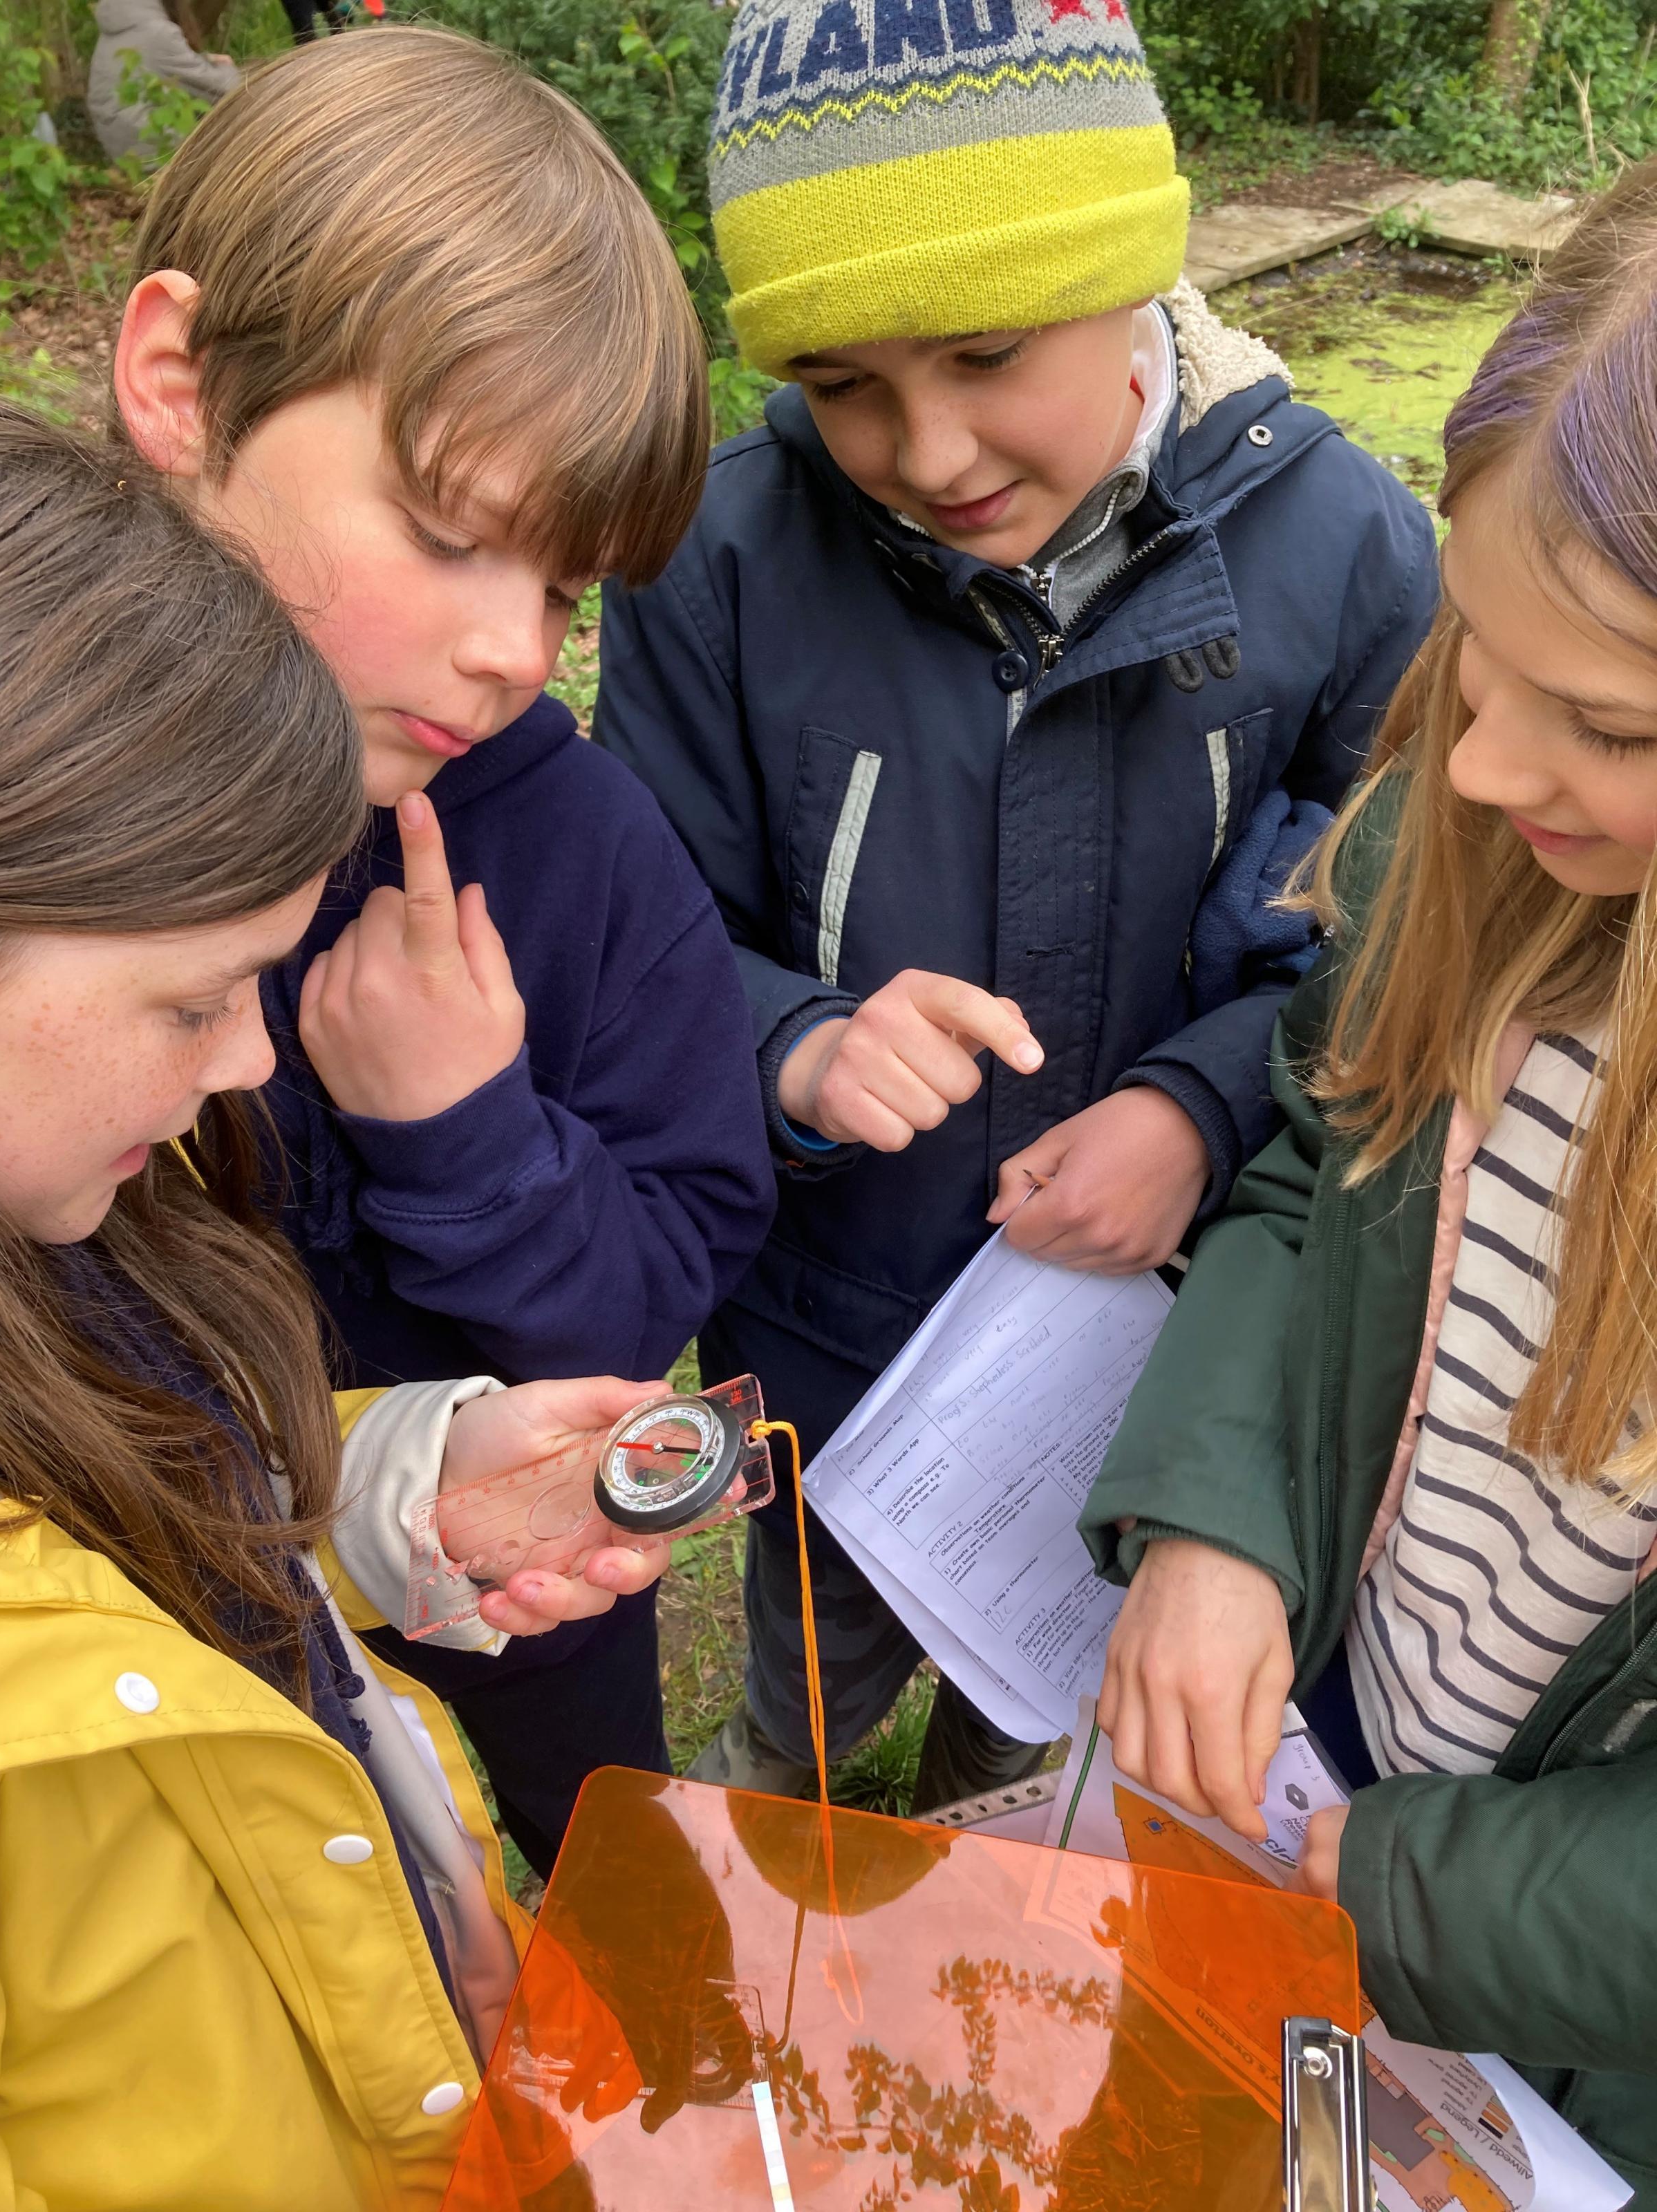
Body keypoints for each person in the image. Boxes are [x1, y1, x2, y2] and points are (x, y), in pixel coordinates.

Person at [596, 0, 1439, 1808]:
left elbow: (1401, 945)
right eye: (843, 386)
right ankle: (783, 1812)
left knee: (1031, 1737)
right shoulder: (720, 556)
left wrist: (1201, 1105)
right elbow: (642, 926)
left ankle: (992, 1810)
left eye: (986, 353)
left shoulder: (1351, 555)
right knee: (804, 1686)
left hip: (1144, 1357)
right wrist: (796, 1043)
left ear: (1135, 270)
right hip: (829, 1339)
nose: (929, 448)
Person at [111, 28, 776, 1873]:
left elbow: (659, 1294)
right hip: (147, 1724)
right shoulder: (54, 807)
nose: (514, 650)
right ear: (178, 380)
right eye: (450, 535)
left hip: (521, 1683)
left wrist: (470, 1131)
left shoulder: (585, 855)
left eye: (562, 587)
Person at [0, 405, 673, 2211]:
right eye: (194, 1000)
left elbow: (144, 1563)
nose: (253, 1059)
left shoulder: (72, 1253)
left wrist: (396, 1497)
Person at [1085, 164, 1657, 2206]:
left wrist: (1419, 1890)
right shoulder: (1477, 845)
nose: (1479, 765)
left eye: (1596, 720)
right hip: (1336, 1737)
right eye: (1471, 652)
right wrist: (1223, 1518)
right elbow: (1323, 1166)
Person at [87, 0, 238, 165]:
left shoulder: (118, 27)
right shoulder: (158, 32)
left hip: (121, 149)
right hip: (155, 154)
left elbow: (160, 62)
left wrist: (202, 60)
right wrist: (227, 66)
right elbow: (227, 90)